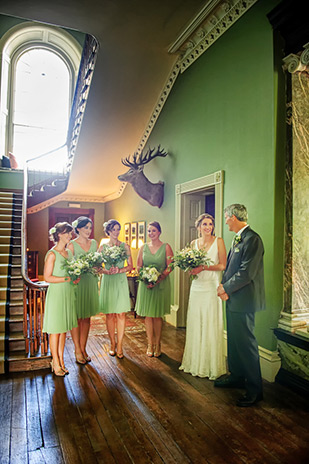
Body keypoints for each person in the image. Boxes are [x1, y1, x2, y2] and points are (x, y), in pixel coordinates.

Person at [216, 204, 265, 407]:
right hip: (234, 299)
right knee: (234, 342)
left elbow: (246, 273)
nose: (226, 220)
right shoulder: (239, 238)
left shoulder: (253, 239)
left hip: (244, 300)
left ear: (234, 217)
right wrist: (225, 287)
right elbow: (232, 268)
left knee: (246, 345)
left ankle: (255, 390)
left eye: (227, 217)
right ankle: (236, 377)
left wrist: (225, 288)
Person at [179, 213, 227, 379]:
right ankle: (195, 362)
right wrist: (190, 269)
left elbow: (222, 265)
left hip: (211, 287)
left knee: (210, 322)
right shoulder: (194, 244)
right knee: (196, 322)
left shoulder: (219, 241)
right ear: (198, 227)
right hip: (196, 287)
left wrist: (204, 268)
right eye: (205, 224)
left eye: (210, 224)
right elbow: (192, 266)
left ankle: (210, 365)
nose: (208, 227)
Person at [42, 222, 79, 376]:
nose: (70, 236)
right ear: (60, 235)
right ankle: (55, 362)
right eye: (68, 234)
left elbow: (72, 273)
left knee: (63, 330)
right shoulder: (52, 254)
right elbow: (47, 277)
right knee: (55, 331)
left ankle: (61, 360)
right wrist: (66, 278)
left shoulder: (69, 254)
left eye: (70, 234)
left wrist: (75, 278)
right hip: (56, 294)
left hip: (68, 293)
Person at [135, 221, 173, 357]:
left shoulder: (166, 247)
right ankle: (150, 344)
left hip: (160, 285)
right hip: (146, 285)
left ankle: (158, 344)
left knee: (157, 316)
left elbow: (170, 266)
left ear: (159, 232)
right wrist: (145, 278)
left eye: (153, 231)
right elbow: (138, 266)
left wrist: (158, 278)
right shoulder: (143, 247)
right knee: (148, 316)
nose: (151, 233)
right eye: (149, 231)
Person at [98, 219, 133, 359]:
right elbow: (97, 266)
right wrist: (106, 271)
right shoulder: (102, 248)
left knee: (121, 314)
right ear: (108, 231)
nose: (116, 232)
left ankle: (120, 345)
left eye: (118, 229)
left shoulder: (125, 247)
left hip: (120, 280)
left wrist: (119, 269)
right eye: (114, 229)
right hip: (108, 280)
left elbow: (130, 266)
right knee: (110, 314)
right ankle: (112, 343)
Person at [67, 216, 99, 363]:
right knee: (77, 318)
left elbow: (98, 264)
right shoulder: (72, 245)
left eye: (90, 228)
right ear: (78, 229)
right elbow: (68, 267)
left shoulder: (94, 243)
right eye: (85, 227)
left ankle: (84, 348)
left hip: (90, 283)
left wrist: (99, 268)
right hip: (78, 284)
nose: (88, 231)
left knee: (86, 318)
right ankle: (77, 350)